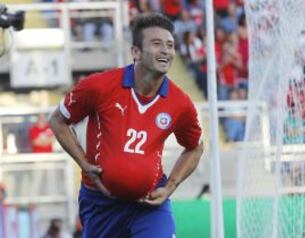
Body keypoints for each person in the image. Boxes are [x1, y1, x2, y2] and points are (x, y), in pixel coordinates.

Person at [50, 13, 203, 238]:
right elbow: (58, 120)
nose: (165, 51)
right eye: (157, 43)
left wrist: (170, 186)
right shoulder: (99, 86)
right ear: (136, 52)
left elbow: (195, 147)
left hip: (149, 206)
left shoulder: (180, 103)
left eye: (170, 45)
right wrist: (84, 164)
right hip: (101, 204)